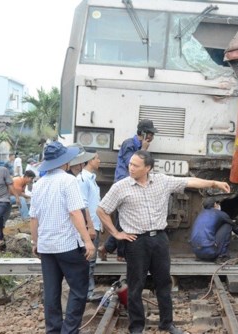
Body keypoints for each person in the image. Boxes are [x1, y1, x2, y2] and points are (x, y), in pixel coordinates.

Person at [97, 150, 230, 334]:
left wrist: (214, 183)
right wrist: (116, 233)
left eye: (135, 165)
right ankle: (136, 328)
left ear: (148, 168)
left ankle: (167, 324)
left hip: (159, 239)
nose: (131, 168)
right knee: (136, 286)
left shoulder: (162, 181)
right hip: (136, 242)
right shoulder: (121, 187)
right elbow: (102, 210)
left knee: (164, 283)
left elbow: (190, 182)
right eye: (130, 164)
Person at [29, 141, 95, 334]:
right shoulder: (68, 181)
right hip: (67, 246)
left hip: (47, 247)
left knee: (51, 292)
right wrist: (88, 241)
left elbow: (33, 217)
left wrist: (35, 242)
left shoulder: (39, 184)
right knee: (78, 289)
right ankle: (70, 330)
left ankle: (53, 330)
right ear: (65, 162)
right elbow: (75, 212)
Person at [98, 119, 158, 262]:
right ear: (144, 133)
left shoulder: (137, 146)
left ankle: (109, 248)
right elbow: (130, 164)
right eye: (150, 133)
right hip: (123, 184)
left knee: (124, 220)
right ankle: (118, 253)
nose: (152, 137)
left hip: (132, 184)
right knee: (123, 220)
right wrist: (143, 150)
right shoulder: (129, 144)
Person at [74, 149, 103, 302]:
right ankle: (87, 293)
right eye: (97, 158)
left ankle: (87, 292)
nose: (99, 161)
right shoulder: (83, 180)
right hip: (89, 226)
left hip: (94, 225)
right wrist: (90, 227)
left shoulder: (91, 179)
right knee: (88, 261)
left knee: (90, 261)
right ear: (90, 160)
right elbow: (83, 205)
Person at [190, 198, 238, 263]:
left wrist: (235, 221)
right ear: (215, 204)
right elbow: (237, 230)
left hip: (197, 252)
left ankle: (204, 255)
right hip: (210, 252)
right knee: (227, 225)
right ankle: (222, 256)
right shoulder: (220, 213)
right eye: (217, 203)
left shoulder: (200, 214)